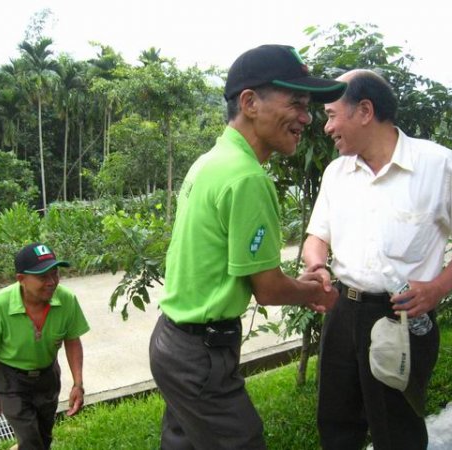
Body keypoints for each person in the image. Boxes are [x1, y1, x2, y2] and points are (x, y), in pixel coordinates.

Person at [148, 44, 347, 450]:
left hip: (172, 342)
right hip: (200, 356)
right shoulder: (247, 178)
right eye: (296, 103)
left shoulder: (210, 161)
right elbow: (268, 289)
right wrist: (314, 291)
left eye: (308, 107)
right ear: (250, 102)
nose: (306, 118)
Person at [302, 69, 452, 449]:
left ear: (365, 111)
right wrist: (316, 266)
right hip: (342, 313)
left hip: (403, 317)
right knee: (336, 423)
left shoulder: (441, 167)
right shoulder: (337, 172)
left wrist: (437, 289)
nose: (327, 127)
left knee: (398, 430)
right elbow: (317, 236)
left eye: (331, 115)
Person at [0, 242, 90, 450]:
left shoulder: (66, 300)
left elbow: (73, 341)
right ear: (21, 279)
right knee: (30, 439)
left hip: (47, 377)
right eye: (43, 277)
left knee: (43, 436)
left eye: (55, 274)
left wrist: (78, 384)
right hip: (11, 380)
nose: (52, 282)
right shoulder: (0, 305)